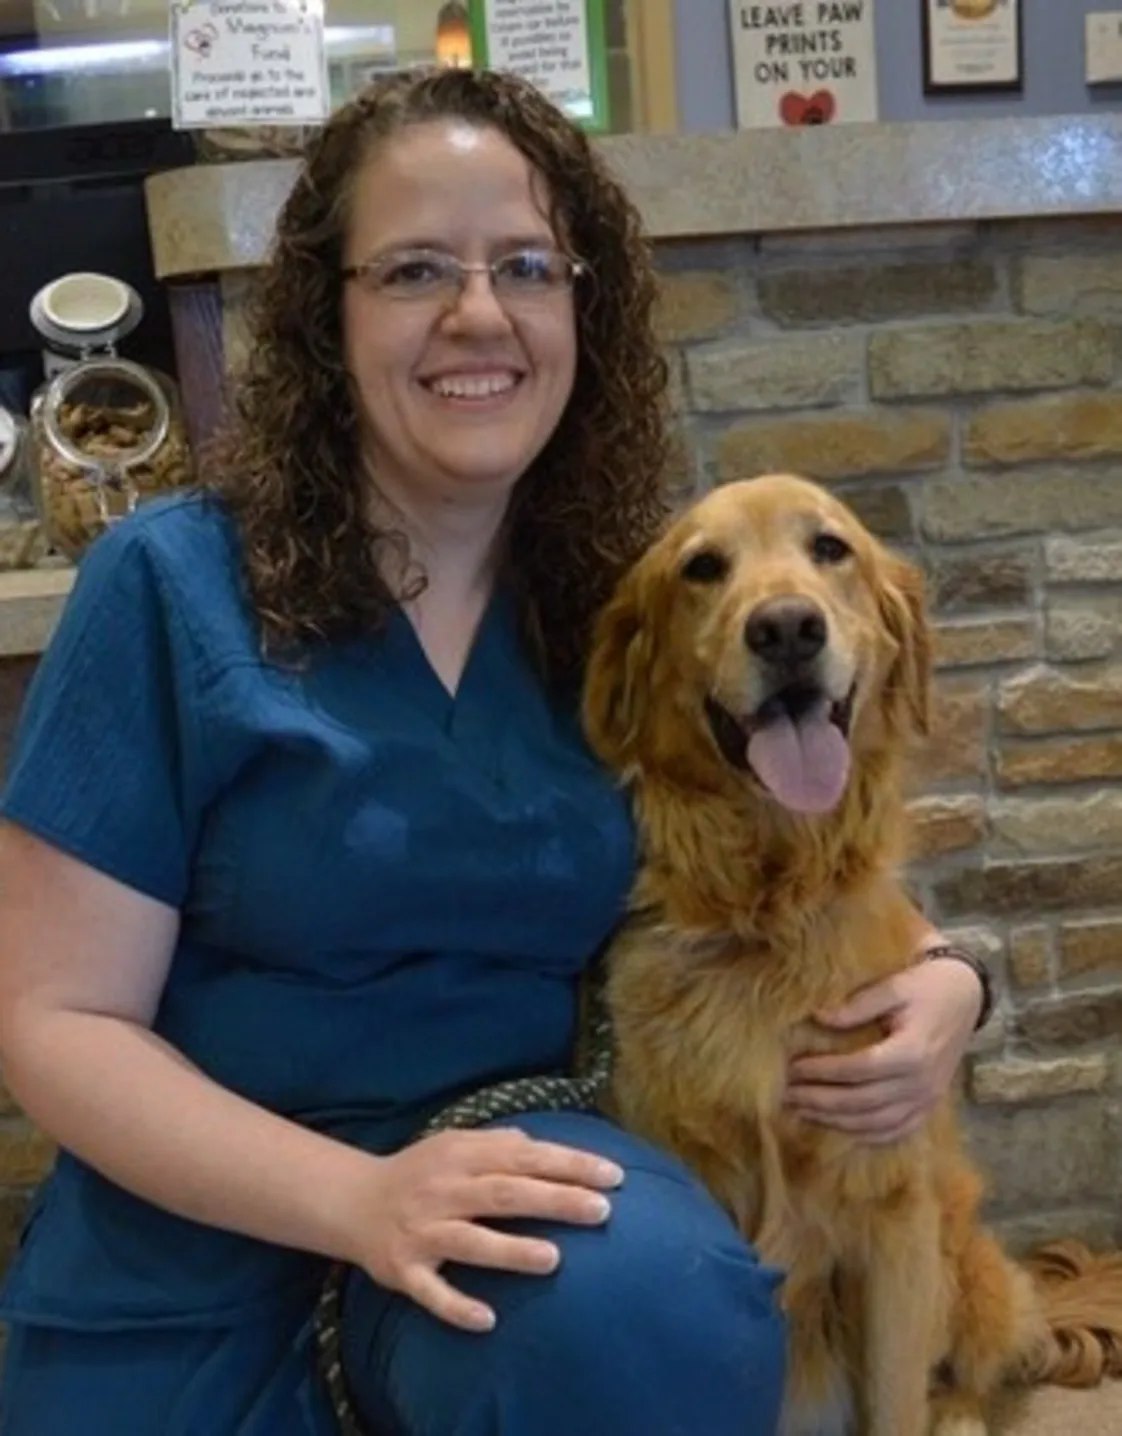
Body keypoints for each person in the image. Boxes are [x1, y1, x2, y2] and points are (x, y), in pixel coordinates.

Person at [0, 68, 992, 1436]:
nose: (479, 312)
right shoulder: (166, 588)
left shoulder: (632, 615)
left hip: (516, 1227)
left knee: (650, 1300)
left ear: (582, 309)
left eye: (525, 266)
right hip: (205, 1251)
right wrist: (358, 1201)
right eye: (414, 269)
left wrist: (949, 984)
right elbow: (54, 1023)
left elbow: (784, 848)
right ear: (327, 314)